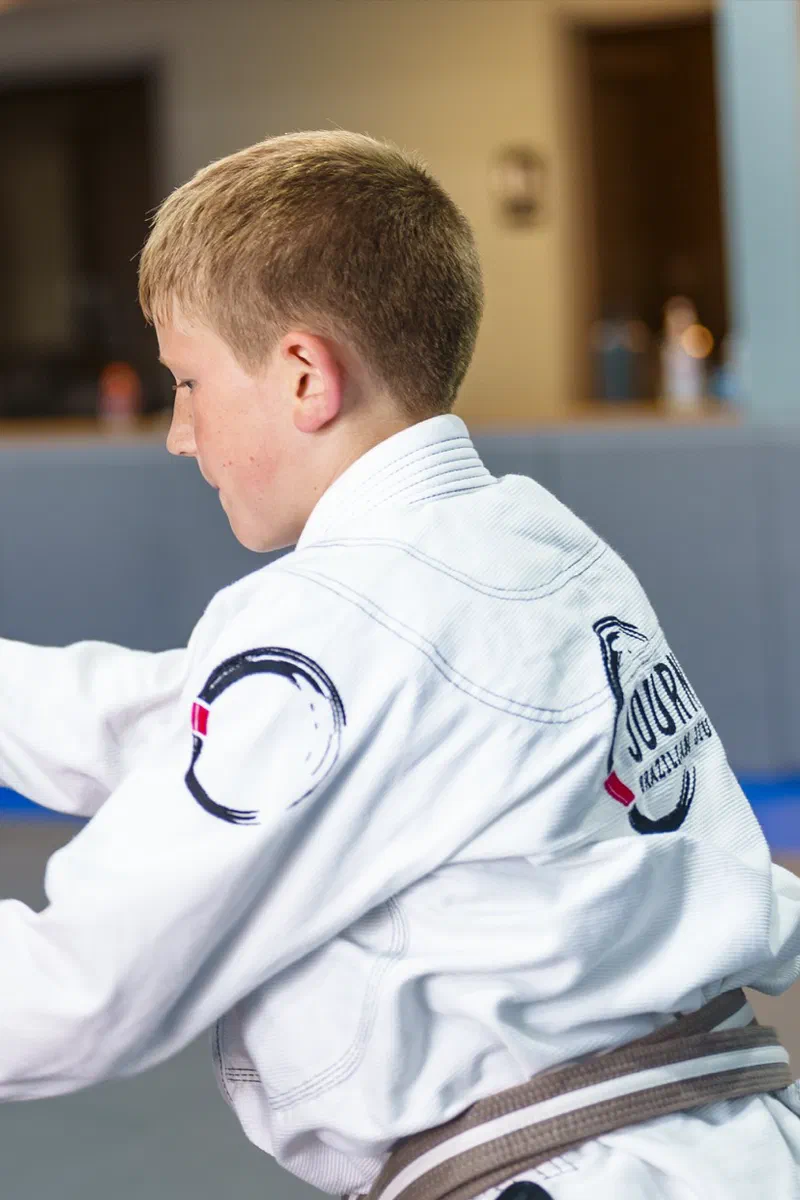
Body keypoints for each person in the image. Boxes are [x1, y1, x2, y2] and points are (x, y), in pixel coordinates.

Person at [1, 130, 799, 1200]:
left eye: (187, 383)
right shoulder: (536, 544)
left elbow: (74, 996)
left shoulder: (336, 624)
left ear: (301, 376)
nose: (177, 434)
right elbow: (187, 731)